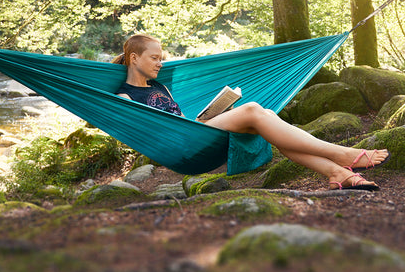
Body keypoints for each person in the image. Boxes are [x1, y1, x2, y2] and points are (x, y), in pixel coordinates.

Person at [114, 34, 390, 191]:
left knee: (267, 117)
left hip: (193, 132)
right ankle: (342, 154)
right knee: (254, 110)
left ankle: (336, 173)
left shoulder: (161, 85)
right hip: (178, 147)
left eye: (162, 57)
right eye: (154, 58)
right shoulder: (124, 96)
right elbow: (152, 131)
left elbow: (180, 118)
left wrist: (208, 116)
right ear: (134, 58)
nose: (160, 63)